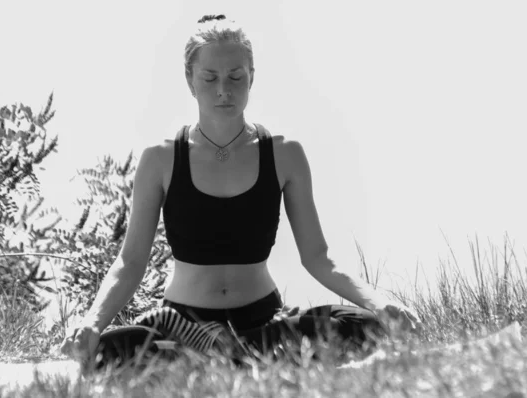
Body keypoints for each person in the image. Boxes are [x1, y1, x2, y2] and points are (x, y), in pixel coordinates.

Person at [60, 14, 422, 371]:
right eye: (210, 77)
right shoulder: (161, 159)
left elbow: (318, 258)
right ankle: (220, 354)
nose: (224, 89)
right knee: (104, 353)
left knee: (368, 328)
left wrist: (380, 304)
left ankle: (222, 357)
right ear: (190, 80)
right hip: (182, 321)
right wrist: (92, 323)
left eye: (236, 76)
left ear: (251, 76)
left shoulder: (285, 153)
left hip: (262, 322)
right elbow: (130, 262)